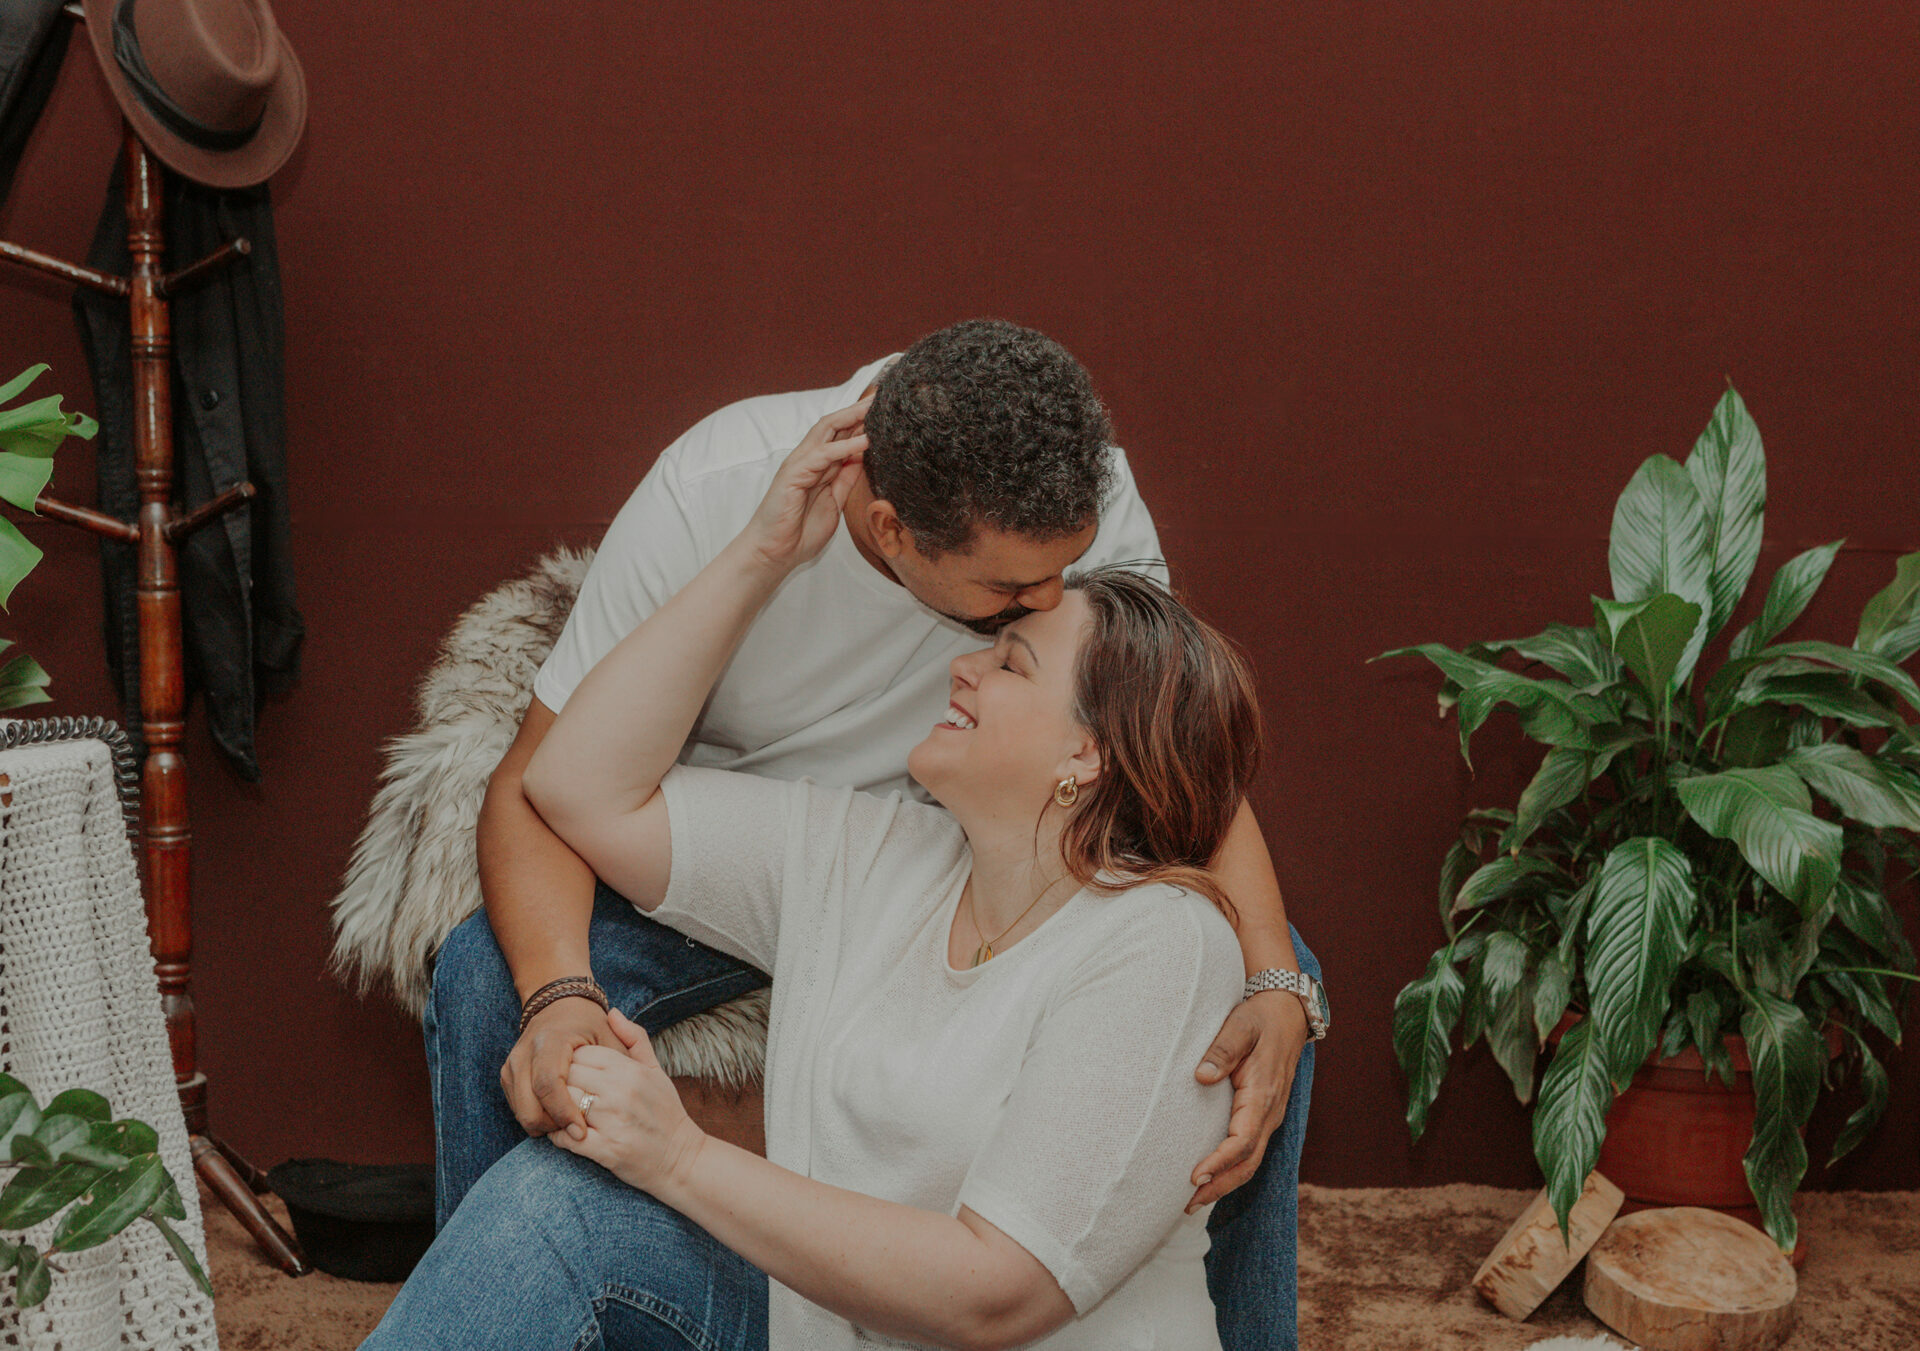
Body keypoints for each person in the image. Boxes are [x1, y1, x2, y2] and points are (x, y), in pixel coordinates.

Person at [426, 320, 1326, 1346]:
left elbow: (1156, 732)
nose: (1044, 602)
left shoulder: (1072, 499)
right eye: (1008, 595)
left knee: (1266, 987)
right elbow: (541, 785)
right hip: (767, 848)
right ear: (892, 530)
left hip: (977, 844)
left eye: (1060, 583)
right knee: (488, 977)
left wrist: (1272, 978)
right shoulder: (711, 492)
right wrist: (559, 995)